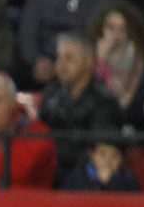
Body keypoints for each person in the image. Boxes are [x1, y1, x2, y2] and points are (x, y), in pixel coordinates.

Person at [39, 31, 123, 173]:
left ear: (89, 62)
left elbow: (98, 150)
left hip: (83, 178)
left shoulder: (104, 102)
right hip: (48, 171)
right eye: (58, 57)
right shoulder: (51, 94)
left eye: (69, 58)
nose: (61, 64)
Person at [90, 1, 144, 126]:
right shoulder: (89, 55)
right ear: (101, 28)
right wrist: (100, 63)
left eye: (122, 29)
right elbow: (90, 97)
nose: (116, 35)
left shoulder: (139, 60)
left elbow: (134, 105)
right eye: (111, 28)